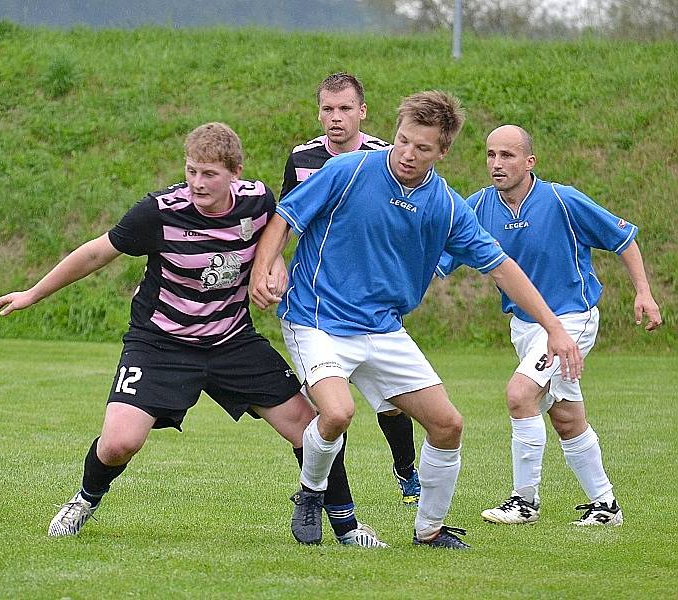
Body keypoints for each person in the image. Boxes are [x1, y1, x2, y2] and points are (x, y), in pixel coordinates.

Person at [0, 122, 386, 548]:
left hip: (231, 340)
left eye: (209, 174)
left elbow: (274, 240)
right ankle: (85, 499)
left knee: (311, 426)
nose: (197, 183)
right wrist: (33, 293)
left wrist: (272, 270)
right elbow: (97, 252)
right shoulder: (158, 212)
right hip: (160, 342)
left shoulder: (257, 201)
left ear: (235, 172)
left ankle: (347, 527)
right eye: (192, 171)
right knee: (119, 443)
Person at [249, 92, 583, 550]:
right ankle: (310, 493)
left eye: (422, 148)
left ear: (442, 151)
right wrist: (262, 269)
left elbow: (501, 266)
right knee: (338, 411)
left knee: (448, 425)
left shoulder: (445, 205)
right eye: (403, 141)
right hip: (317, 318)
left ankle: (429, 530)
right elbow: (284, 217)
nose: (408, 154)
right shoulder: (349, 172)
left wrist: (554, 326)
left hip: (383, 328)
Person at [436, 124, 662, 526]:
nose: (497, 164)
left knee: (520, 395)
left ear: (529, 161)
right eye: (490, 155)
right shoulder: (479, 206)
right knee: (566, 417)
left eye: (507, 155)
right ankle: (606, 506)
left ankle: (524, 502)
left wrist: (643, 293)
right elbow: (441, 258)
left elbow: (623, 238)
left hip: (571, 319)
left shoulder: (562, 199)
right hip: (525, 327)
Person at [280, 72, 420, 507]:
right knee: (329, 408)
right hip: (317, 302)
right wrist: (271, 267)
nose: (335, 118)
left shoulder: (385, 156)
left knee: (392, 403)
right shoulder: (301, 159)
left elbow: (404, 220)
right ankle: (322, 495)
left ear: (363, 111)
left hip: (371, 303)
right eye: (327, 109)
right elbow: (285, 218)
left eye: (345, 109)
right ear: (318, 111)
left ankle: (405, 469)